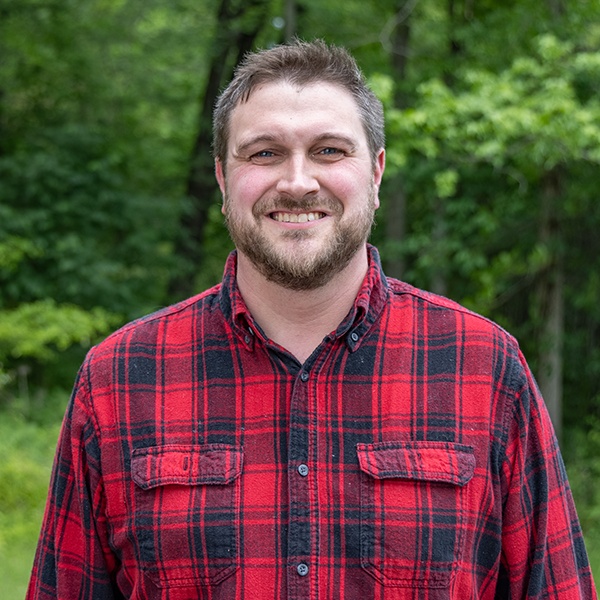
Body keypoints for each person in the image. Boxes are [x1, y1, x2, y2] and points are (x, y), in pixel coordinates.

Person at [27, 40, 596, 600]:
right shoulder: (120, 378)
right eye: (264, 153)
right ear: (224, 180)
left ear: (375, 174)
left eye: (328, 150)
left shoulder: (485, 366)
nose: (297, 181)